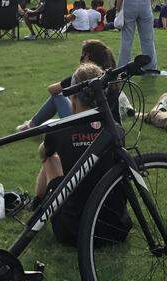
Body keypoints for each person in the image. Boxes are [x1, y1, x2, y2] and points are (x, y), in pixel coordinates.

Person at [34, 63, 132, 246]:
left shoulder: (60, 129)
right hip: (116, 228)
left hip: (73, 231)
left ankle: (37, 204)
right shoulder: (115, 130)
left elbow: (44, 153)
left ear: (72, 95)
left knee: (49, 158)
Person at [18, 40, 120, 131]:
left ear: (87, 57)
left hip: (85, 126)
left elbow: (51, 89)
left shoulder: (82, 77)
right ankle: (32, 124)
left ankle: (31, 125)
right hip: (110, 125)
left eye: (82, 56)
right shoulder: (113, 75)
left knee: (57, 96)